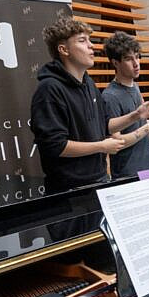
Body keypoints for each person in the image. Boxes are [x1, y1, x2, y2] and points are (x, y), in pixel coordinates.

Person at [30, 18, 133, 193]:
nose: (91, 46)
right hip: (69, 190)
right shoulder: (49, 89)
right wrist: (101, 146)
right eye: (82, 40)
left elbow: (105, 124)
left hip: (99, 180)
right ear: (64, 50)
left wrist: (136, 115)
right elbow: (55, 146)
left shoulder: (89, 84)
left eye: (89, 40)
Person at [101, 31, 149, 177]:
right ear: (115, 63)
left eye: (137, 57)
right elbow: (117, 141)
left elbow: (134, 126)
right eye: (128, 59)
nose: (136, 63)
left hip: (147, 165)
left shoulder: (136, 87)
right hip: (128, 172)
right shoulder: (110, 96)